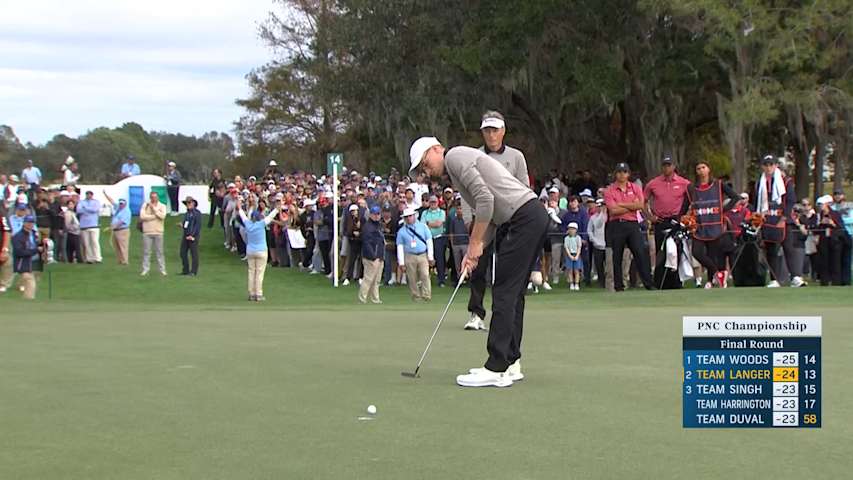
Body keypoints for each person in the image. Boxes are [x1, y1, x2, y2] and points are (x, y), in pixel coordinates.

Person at [409, 136, 546, 388]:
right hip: (525, 218)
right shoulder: (456, 166)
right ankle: (510, 362)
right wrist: (479, 247)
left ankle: (495, 367)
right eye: (421, 169)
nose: (425, 171)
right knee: (513, 295)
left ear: (436, 149)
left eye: (425, 163)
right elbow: (491, 216)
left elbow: (485, 201)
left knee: (504, 292)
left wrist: (472, 245)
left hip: (524, 218)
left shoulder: (455, 156)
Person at [465, 110, 531, 332]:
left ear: (503, 131)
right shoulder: (472, 155)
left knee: (507, 271)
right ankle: (476, 313)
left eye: (495, 130)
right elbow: (466, 190)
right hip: (483, 221)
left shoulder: (516, 157)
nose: (491, 135)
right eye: (487, 131)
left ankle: (504, 315)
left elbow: (524, 187)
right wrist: (469, 219)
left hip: (510, 220)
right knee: (478, 267)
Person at [686, 161, 740, 288]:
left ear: (708, 169)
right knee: (697, 252)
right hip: (699, 226)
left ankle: (710, 280)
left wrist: (723, 210)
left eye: (703, 167)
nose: (701, 170)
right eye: (698, 168)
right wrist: (682, 218)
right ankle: (718, 273)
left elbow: (735, 197)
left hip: (715, 224)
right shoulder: (692, 188)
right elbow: (685, 205)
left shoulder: (718, 184)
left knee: (712, 254)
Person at [754, 155, 804, 287]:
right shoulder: (760, 182)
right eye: (766, 165)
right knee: (771, 250)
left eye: (771, 164)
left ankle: (795, 277)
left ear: (776, 165)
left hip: (783, 219)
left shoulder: (785, 181)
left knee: (788, 248)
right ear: (763, 167)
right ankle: (774, 279)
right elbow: (757, 202)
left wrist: (784, 217)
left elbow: (791, 200)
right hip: (768, 219)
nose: (769, 167)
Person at [603, 163, 653, 291]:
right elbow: (613, 210)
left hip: (632, 224)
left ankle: (648, 283)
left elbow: (640, 205)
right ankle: (619, 286)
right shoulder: (609, 190)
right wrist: (631, 205)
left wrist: (621, 204)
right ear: (616, 174)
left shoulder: (635, 187)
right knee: (617, 256)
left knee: (640, 252)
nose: (622, 174)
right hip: (616, 224)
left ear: (628, 174)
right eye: (619, 172)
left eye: (624, 172)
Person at [644, 156, 690, 252]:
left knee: (678, 250)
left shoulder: (684, 183)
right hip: (660, 220)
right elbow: (643, 201)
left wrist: (687, 216)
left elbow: (693, 200)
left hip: (676, 220)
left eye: (668, 165)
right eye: (664, 165)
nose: (666, 168)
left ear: (674, 166)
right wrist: (649, 217)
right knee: (661, 251)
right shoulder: (653, 183)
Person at [237, 197, 278, 301]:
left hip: (250, 251)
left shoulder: (248, 224)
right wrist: (277, 208)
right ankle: (258, 294)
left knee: (251, 272)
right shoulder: (261, 224)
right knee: (259, 273)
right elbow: (270, 216)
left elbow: (243, 216)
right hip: (261, 251)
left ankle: (251, 294)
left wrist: (239, 207)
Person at [396, 207, 434, 302]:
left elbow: (429, 241)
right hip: (409, 255)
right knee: (412, 277)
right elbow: (400, 247)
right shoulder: (402, 231)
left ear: (414, 216)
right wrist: (401, 263)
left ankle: (426, 295)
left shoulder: (423, 226)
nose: (409, 218)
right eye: (407, 217)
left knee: (425, 275)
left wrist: (430, 256)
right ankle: (416, 296)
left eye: (410, 216)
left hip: (422, 254)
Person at [814, 195, 844, 286]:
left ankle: (836, 281)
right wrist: (821, 223)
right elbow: (816, 229)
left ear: (827, 204)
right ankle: (824, 281)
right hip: (823, 240)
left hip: (834, 240)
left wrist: (832, 223)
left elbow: (840, 227)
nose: (820, 206)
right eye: (819, 205)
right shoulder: (819, 215)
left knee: (835, 261)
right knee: (824, 261)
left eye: (821, 204)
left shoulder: (835, 213)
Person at [359, 205, 385, 304]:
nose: (376, 216)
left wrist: (380, 256)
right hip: (371, 257)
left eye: (378, 214)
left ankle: (375, 298)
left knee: (376, 280)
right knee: (368, 279)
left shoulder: (378, 225)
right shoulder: (368, 227)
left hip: (379, 256)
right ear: (370, 215)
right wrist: (373, 256)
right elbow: (367, 243)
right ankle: (362, 298)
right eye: (374, 214)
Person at [12, 215, 41, 299]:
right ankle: (29, 300)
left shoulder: (33, 234)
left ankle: (26, 298)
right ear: (24, 223)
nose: (30, 224)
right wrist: (36, 250)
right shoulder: (18, 236)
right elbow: (19, 252)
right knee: (30, 282)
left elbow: (36, 245)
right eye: (28, 222)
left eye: (32, 222)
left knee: (31, 283)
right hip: (22, 263)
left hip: (34, 262)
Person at [421, 195, 448, 287]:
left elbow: (439, 224)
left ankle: (441, 280)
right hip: (427, 239)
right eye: (431, 202)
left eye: (434, 202)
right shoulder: (425, 212)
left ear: (437, 203)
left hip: (438, 238)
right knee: (426, 259)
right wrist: (432, 223)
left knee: (440, 259)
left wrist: (429, 223)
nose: (433, 204)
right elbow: (423, 225)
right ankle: (425, 280)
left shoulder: (442, 212)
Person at [139, 191, 167, 276]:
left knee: (160, 252)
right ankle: (145, 269)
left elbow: (162, 216)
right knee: (146, 252)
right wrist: (154, 217)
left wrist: (154, 209)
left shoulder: (162, 206)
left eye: (155, 197)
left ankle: (162, 269)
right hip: (147, 231)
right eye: (152, 197)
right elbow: (142, 216)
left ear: (157, 198)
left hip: (158, 231)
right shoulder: (145, 205)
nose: (153, 199)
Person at [103, 190, 131, 265]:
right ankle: (120, 260)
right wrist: (105, 194)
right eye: (120, 203)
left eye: (122, 204)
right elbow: (111, 201)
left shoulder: (126, 211)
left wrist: (110, 228)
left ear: (125, 204)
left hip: (122, 230)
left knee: (123, 246)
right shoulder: (118, 208)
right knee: (117, 246)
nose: (121, 205)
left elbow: (121, 222)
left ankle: (125, 261)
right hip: (116, 230)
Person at [76, 190, 102, 263]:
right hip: (84, 225)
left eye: (90, 194)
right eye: (87, 194)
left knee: (95, 242)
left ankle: (97, 258)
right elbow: (78, 210)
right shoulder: (81, 202)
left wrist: (85, 208)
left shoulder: (96, 202)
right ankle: (89, 258)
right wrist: (88, 209)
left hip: (94, 225)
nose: (88, 196)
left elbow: (95, 210)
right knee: (86, 243)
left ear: (92, 195)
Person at [587, 198, 607, 288]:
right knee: (599, 266)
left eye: (602, 206)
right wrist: (593, 240)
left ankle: (609, 282)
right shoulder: (593, 217)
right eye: (599, 206)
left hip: (608, 244)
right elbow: (590, 230)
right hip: (597, 244)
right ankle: (601, 282)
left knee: (609, 265)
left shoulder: (609, 216)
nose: (600, 208)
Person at [180, 196, 202, 276]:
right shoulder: (187, 214)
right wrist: (182, 225)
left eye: (189, 203)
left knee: (194, 254)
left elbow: (197, 226)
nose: (188, 204)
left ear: (193, 203)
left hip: (193, 236)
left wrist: (192, 235)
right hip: (186, 236)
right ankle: (185, 270)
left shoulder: (197, 213)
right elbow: (186, 224)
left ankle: (193, 271)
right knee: (182, 253)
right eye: (187, 203)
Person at [342, 203, 363, 285]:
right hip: (353, 242)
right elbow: (347, 231)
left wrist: (360, 233)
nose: (354, 212)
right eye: (352, 211)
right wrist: (352, 233)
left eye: (355, 211)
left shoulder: (362, 219)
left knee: (361, 260)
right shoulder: (349, 220)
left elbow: (364, 229)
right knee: (351, 260)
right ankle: (348, 278)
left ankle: (360, 277)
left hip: (361, 242)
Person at [564, 222, 583, 290]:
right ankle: (571, 283)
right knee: (570, 270)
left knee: (576, 270)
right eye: (570, 229)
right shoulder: (566, 238)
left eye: (573, 229)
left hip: (576, 254)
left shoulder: (578, 238)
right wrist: (570, 256)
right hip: (569, 255)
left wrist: (577, 255)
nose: (571, 230)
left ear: (576, 230)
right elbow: (566, 247)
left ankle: (577, 284)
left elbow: (579, 247)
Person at [63, 199, 82, 263]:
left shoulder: (73, 213)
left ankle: (71, 260)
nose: (71, 206)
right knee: (75, 248)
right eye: (70, 204)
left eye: (72, 204)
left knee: (72, 248)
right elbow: (67, 224)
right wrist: (74, 228)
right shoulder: (68, 213)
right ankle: (78, 260)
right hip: (72, 233)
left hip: (75, 232)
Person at [0, 204, 11, 293]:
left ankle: (3, 285)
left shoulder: (1, 212)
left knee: (6, 262)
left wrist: (5, 249)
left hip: (1, 244)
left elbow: (7, 230)